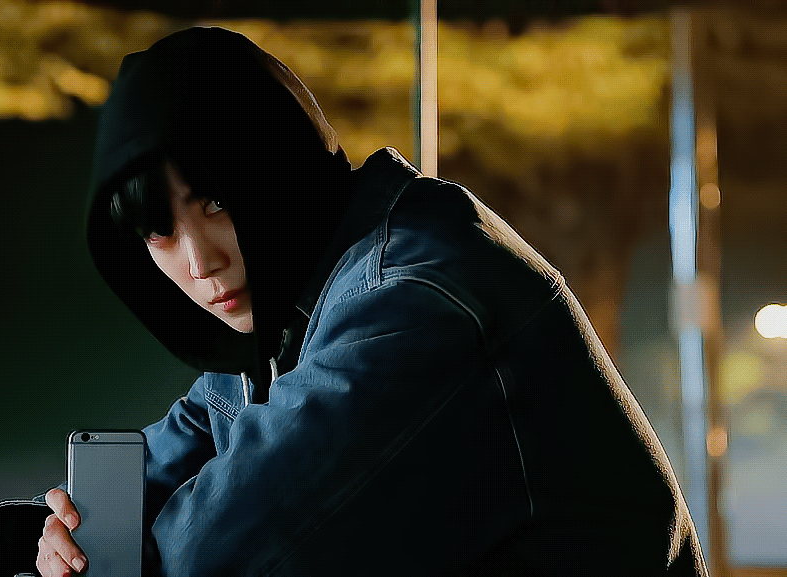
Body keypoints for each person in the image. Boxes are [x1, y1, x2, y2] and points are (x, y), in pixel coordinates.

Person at [35, 26, 708, 576]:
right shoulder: (290, 308)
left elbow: (209, 559)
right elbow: (147, 474)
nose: (199, 261)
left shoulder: (408, 303)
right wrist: (66, 535)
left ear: (278, 162)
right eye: (159, 231)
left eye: (216, 201)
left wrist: (106, 551)